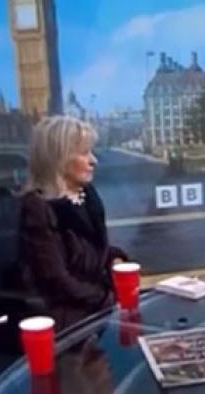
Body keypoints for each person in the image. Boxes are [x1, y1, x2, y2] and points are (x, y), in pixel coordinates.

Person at [19, 115, 128, 330]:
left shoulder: (87, 196)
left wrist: (115, 259)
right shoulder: (38, 207)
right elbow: (57, 280)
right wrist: (107, 297)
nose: (94, 160)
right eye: (84, 153)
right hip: (63, 318)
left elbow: (93, 249)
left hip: (94, 306)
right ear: (59, 159)